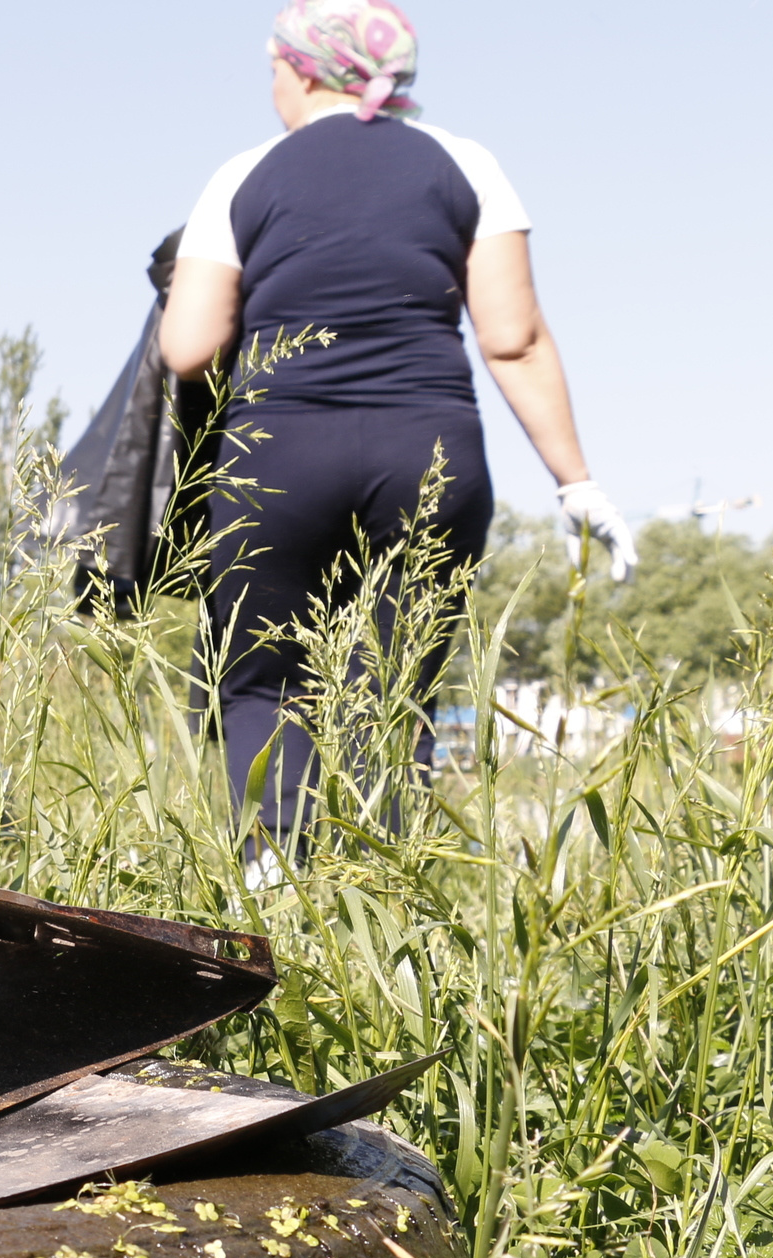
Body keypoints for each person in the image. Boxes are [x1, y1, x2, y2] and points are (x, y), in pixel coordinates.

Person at [157, 0, 633, 860]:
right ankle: (382, 894)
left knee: (265, 681)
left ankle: (274, 880)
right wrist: (576, 481)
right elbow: (513, 339)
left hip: (283, 458)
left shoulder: (241, 176)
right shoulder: (468, 164)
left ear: (303, 70)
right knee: (394, 686)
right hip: (431, 452)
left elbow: (187, 349)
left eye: (272, 68)